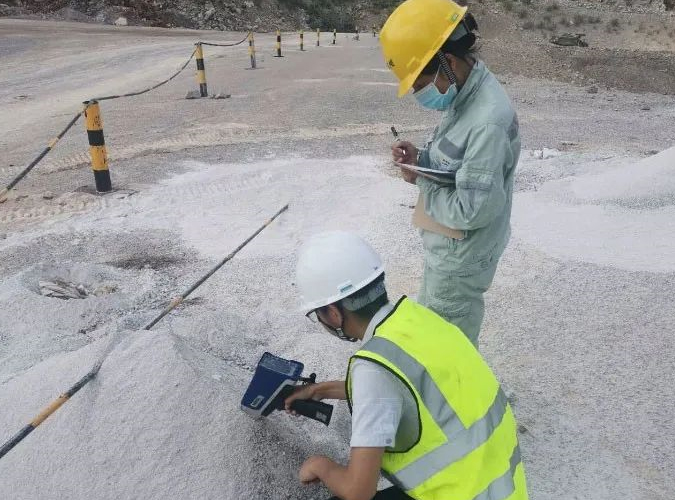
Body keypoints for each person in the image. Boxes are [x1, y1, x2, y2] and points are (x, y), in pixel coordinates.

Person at [286, 231, 527, 500]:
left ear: (333, 313)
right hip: (502, 490)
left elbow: (358, 491)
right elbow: (406, 386)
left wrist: (319, 465)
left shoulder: (372, 370)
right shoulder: (418, 319)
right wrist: (320, 390)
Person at [382, 0, 521, 347]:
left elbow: (472, 210)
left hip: (462, 257)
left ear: (449, 61)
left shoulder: (487, 120)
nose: (419, 94)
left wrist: (421, 180)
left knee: (445, 349)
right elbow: (458, 163)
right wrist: (422, 160)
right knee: (436, 335)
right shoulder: (465, 94)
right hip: (449, 247)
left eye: (420, 84)